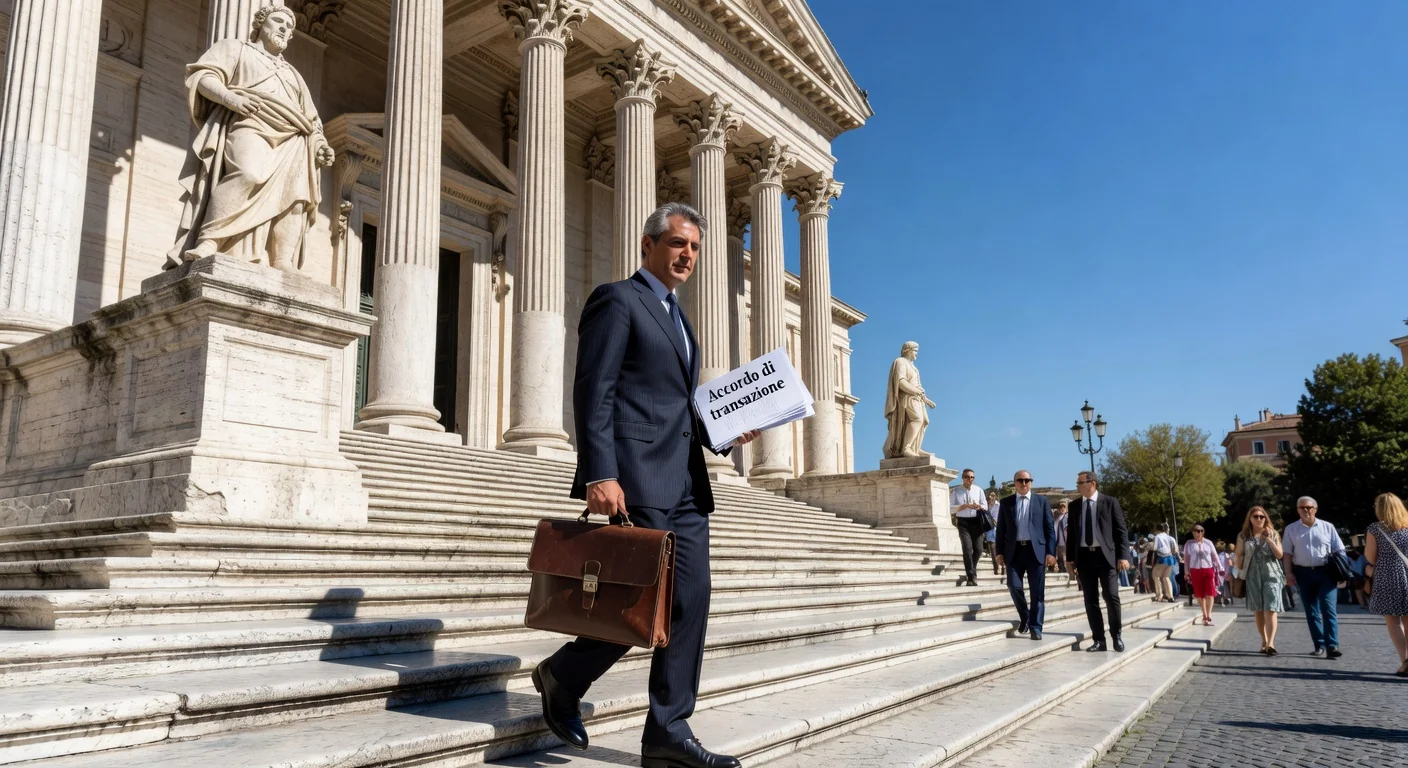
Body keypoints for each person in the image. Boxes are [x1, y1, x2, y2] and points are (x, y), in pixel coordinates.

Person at [534, 203, 760, 768]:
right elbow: (595, 389)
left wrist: (728, 432)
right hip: (637, 477)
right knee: (642, 601)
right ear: (649, 245)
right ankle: (562, 675)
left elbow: (678, 408)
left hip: (686, 482)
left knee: (692, 599)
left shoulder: (683, 321)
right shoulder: (618, 300)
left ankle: (667, 729)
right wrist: (599, 472)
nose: (688, 255)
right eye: (679, 244)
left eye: (696, 248)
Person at [1066, 471, 1131, 652]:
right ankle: (1099, 640)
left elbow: (1121, 532)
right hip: (1084, 557)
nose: (1077, 486)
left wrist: (1123, 556)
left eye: (1080, 483)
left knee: (1111, 596)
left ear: (1092, 483)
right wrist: (1070, 559)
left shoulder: (1110, 503)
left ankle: (1116, 635)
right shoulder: (1075, 506)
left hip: (1106, 557)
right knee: (1090, 600)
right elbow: (1072, 534)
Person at [1282, 496, 1347, 659]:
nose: (1305, 510)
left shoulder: (1327, 527)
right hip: (1303, 573)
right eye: (1301, 507)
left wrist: (1342, 572)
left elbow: (1339, 549)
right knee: (1311, 611)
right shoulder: (1291, 529)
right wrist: (1288, 574)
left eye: (1309, 507)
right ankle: (1319, 644)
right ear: (1297, 510)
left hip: (1326, 572)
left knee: (1328, 608)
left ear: (1315, 509)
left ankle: (1332, 645)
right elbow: (1287, 554)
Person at [995, 470, 1057, 640]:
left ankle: (1036, 628)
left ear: (1031, 482)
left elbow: (1050, 529)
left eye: (1027, 480)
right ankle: (1026, 616)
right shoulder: (1006, 503)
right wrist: (999, 552)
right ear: (1014, 483)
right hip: (1014, 552)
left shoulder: (1041, 501)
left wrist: (1051, 552)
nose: (1024, 483)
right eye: (1020, 480)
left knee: (1037, 593)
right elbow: (1001, 530)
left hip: (1036, 552)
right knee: (1013, 585)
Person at [1364, 492, 1408, 676]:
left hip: (1387, 577)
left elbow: (1370, 557)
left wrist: (1369, 570)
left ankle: (1405, 660)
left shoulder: (1375, 529)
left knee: (1392, 621)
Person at [1235, 506, 1285, 655]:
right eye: (1255, 516)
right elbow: (1239, 555)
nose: (1258, 519)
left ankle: (1271, 643)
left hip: (1271, 574)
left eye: (1261, 517)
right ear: (1249, 519)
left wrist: (1268, 539)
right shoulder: (1243, 536)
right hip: (1252, 575)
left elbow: (1279, 554)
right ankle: (1263, 639)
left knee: (1270, 608)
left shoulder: (1273, 533)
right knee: (1259, 610)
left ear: (1266, 518)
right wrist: (1238, 565)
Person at [950, 469, 989, 587]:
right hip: (963, 523)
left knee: (979, 549)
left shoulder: (979, 490)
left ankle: (972, 569)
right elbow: (950, 508)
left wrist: (979, 506)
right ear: (962, 478)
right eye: (967, 477)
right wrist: (964, 506)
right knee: (967, 549)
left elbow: (985, 506)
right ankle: (971, 576)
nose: (970, 479)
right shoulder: (955, 491)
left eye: (972, 477)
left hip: (977, 522)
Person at [1183, 525, 1224, 626]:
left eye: (1201, 531)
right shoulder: (1189, 543)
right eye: (1197, 531)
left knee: (1210, 592)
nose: (1199, 533)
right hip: (1195, 570)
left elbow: (1214, 556)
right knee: (1199, 594)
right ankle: (1204, 614)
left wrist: (1220, 567)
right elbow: (1186, 559)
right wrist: (1186, 572)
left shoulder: (1208, 542)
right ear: (1193, 532)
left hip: (1208, 569)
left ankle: (1209, 615)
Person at [1150, 523, 1180, 602]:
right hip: (1171, 558)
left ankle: (1159, 595)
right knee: (1166, 577)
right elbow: (1176, 549)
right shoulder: (1170, 537)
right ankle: (1170, 596)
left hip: (1162, 558)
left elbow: (1155, 548)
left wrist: (1150, 546)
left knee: (1155, 576)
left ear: (1157, 530)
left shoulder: (1158, 537)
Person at [984, 492, 1002, 576]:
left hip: (998, 530)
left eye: (992, 495)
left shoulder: (999, 506)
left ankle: (1002, 567)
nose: (990, 497)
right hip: (989, 530)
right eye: (989, 496)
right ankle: (996, 567)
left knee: (999, 550)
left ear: (995, 497)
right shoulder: (986, 506)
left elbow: (1000, 518)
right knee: (992, 549)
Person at [1053, 500, 1070, 578]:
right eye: (1061, 507)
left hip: (1065, 542)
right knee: (1059, 559)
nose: (1062, 509)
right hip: (1058, 542)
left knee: (1066, 558)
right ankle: (1061, 573)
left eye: (1064, 507)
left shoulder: (1067, 517)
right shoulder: (1057, 518)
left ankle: (1070, 575)